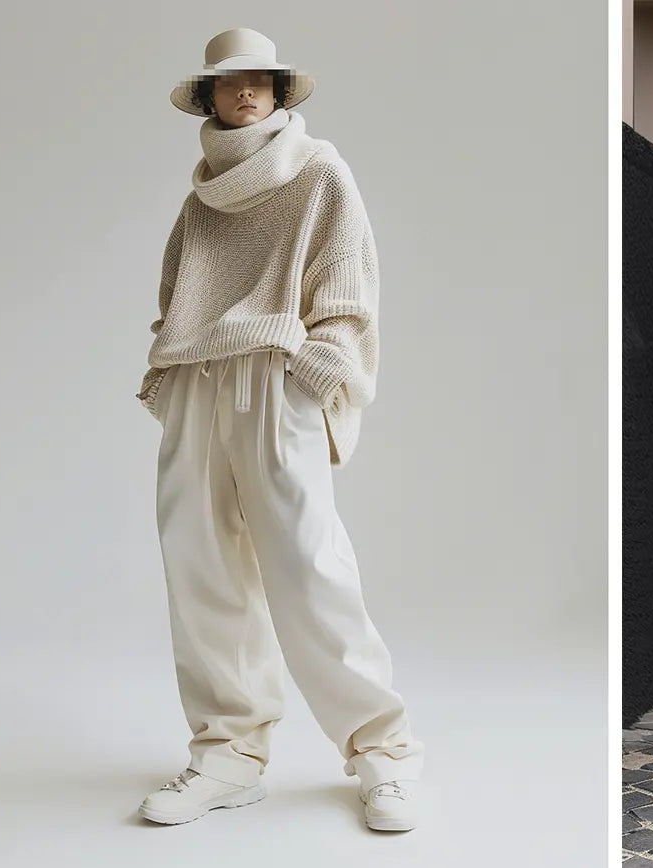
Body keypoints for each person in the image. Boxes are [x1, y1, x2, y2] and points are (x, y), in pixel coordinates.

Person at [134, 28, 423, 832]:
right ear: (208, 99)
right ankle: (228, 755)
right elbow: (175, 291)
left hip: (275, 375)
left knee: (308, 565)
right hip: (198, 382)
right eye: (230, 84)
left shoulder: (317, 170)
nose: (248, 92)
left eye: (260, 79)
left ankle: (383, 754)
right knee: (200, 568)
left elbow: (347, 274)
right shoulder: (200, 198)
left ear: (279, 90)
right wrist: (171, 370)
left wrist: (317, 370)